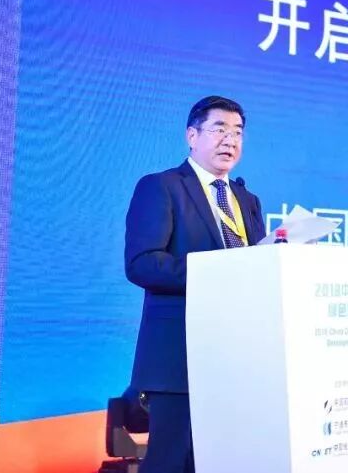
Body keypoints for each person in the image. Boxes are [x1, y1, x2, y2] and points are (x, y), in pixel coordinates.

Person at [124, 95, 266, 473]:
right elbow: (142, 263)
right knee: (172, 462)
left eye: (237, 132)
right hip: (179, 356)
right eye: (219, 129)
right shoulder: (162, 187)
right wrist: (215, 274)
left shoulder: (247, 199)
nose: (230, 140)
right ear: (192, 136)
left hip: (238, 354)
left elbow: (253, 269)